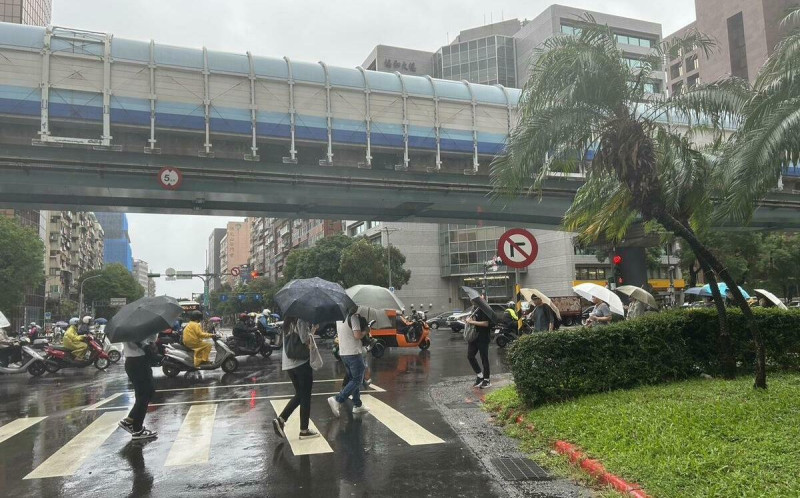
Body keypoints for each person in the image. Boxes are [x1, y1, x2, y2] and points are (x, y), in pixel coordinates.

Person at [272, 316, 320, 440]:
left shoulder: (287, 322)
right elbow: (306, 341)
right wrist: (314, 329)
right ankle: (304, 430)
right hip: (301, 363)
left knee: (300, 394)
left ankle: (281, 419)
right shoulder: (301, 320)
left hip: (289, 364)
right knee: (305, 397)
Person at [118, 332, 158, 440]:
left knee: (144, 393)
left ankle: (130, 420)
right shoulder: (140, 327)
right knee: (145, 394)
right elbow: (151, 338)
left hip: (132, 361)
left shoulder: (126, 327)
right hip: (139, 361)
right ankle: (137, 429)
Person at [329, 312, 370, 417]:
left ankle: (357, 404)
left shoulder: (339, 318)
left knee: (353, 379)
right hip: (354, 353)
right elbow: (357, 335)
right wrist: (366, 331)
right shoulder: (353, 318)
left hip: (344, 353)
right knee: (357, 380)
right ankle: (338, 399)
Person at [466, 305, 492, 388]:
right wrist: (468, 320)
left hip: (483, 337)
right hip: (474, 337)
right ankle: (480, 376)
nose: (471, 301)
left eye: (473, 300)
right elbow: (471, 321)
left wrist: (472, 322)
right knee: (470, 356)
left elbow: (486, 323)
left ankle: (487, 380)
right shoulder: (473, 309)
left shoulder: (484, 309)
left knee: (484, 358)